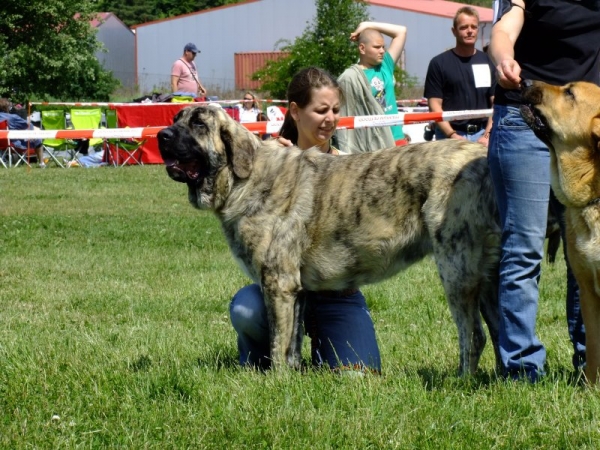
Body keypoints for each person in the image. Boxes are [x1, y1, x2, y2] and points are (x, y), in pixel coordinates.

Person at [229, 67, 381, 373]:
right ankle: (260, 359)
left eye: (336, 110)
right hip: (280, 293)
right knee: (247, 310)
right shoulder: (266, 161)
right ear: (295, 112)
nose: (331, 119)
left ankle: (327, 343)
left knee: (358, 378)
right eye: (321, 110)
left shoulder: (349, 165)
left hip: (338, 296)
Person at [487, 0, 600, 381]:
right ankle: (521, 369)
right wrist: (504, 59)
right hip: (528, 113)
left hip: (585, 128)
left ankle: (591, 367)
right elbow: (503, 30)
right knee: (524, 248)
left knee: (584, 258)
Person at [424, 6, 495, 145]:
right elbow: (434, 105)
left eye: (473, 27)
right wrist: (452, 135)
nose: (469, 31)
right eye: (464, 27)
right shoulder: (438, 63)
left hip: (483, 136)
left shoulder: (488, 62)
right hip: (448, 137)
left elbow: (496, 102)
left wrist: (487, 135)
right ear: (454, 31)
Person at [337, 22, 408, 153]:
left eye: (383, 47)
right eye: (377, 47)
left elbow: (401, 31)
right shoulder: (351, 77)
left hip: (397, 139)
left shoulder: (385, 65)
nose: (382, 51)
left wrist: (366, 24)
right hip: (373, 146)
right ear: (362, 48)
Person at [0, 98, 45, 168]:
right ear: (7, 108)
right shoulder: (13, 117)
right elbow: (28, 125)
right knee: (38, 140)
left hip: (1, 144)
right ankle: (42, 163)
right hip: (14, 145)